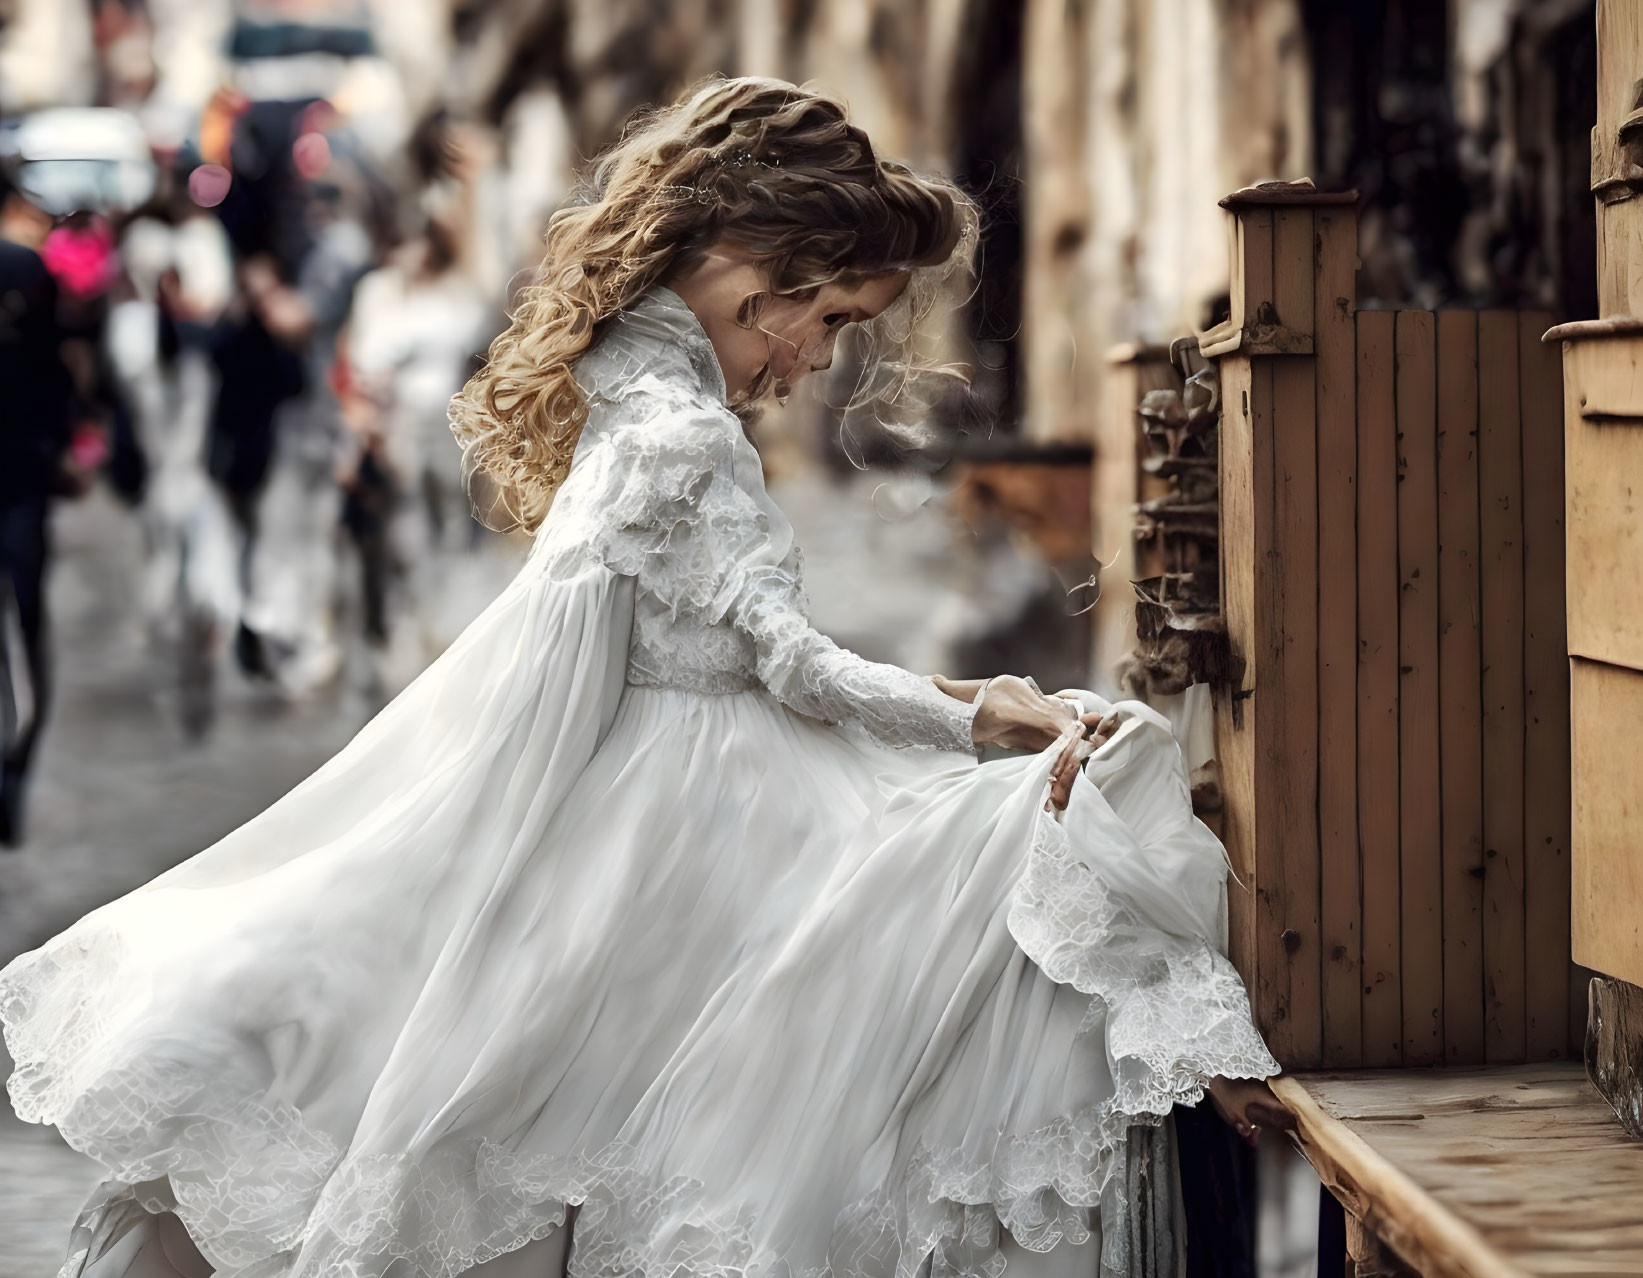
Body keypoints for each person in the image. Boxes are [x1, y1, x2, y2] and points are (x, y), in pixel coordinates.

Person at [0, 79, 1288, 1278]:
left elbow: (733, 653)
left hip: (667, 784)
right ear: (750, 263)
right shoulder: (680, 432)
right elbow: (789, 664)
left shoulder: (634, 388)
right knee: (1033, 883)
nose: (817, 358)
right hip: (689, 817)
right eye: (827, 316)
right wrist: (975, 713)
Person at [0, 168, 78, 845]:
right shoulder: (26, 269)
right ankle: (13, 765)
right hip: (22, 472)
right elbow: (58, 369)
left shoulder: (26, 269)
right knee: (26, 625)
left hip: (22, 471)